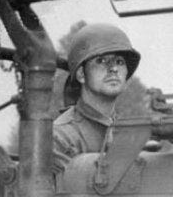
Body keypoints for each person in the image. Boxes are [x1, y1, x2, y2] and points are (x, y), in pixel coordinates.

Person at [52, 23, 141, 174]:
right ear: (81, 74)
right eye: (101, 61)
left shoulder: (127, 134)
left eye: (119, 62)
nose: (113, 68)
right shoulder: (60, 137)